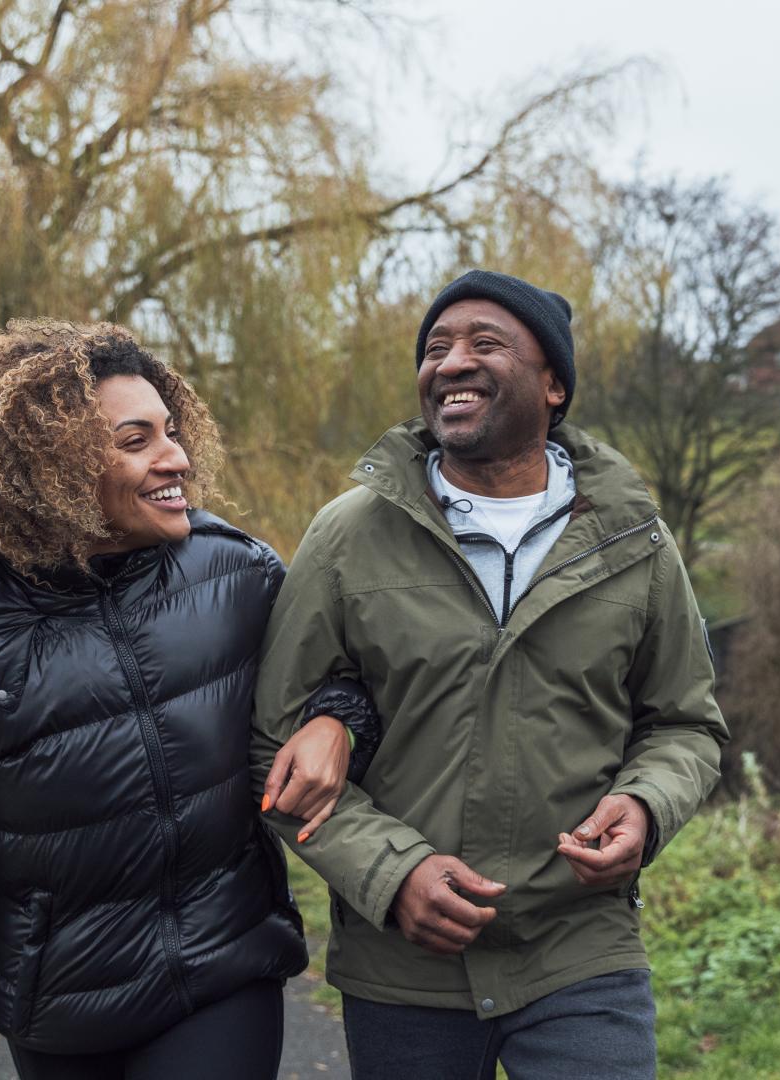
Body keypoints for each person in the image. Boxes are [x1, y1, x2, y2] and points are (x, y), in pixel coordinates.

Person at [0, 319, 379, 1080]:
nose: (176, 458)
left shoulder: (236, 576)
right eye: (136, 441)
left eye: (171, 432)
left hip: (223, 973)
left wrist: (339, 718)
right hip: (60, 1011)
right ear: (51, 468)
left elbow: (348, 665)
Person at [252, 270, 730, 1079]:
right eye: (435, 348)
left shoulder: (634, 541)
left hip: (580, 949)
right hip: (404, 966)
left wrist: (646, 808)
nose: (451, 363)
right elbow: (272, 745)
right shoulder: (346, 538)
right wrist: (391, 872)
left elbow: (685, 723)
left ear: (554, 385)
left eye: (485, 343)